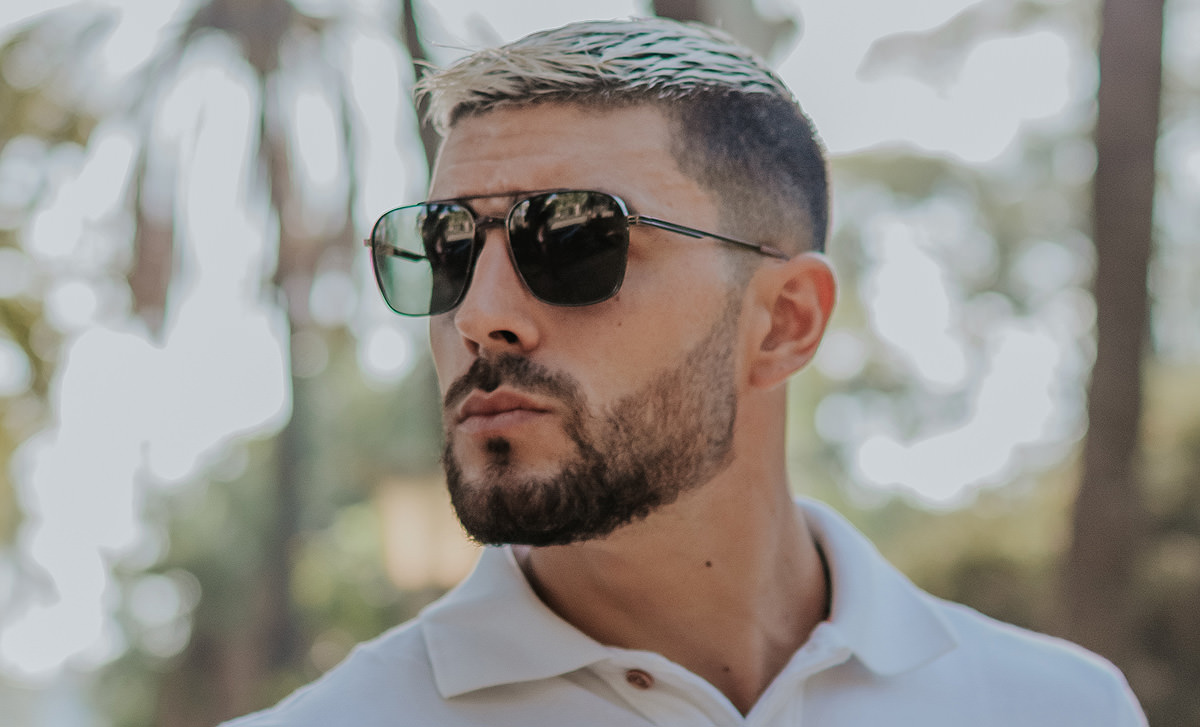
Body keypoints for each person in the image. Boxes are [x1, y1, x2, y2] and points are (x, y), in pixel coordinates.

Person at [223, 17, 1145, 726]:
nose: (477, 314)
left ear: (784, 321)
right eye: (447, 247)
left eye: (574, 239)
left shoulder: (1059, 708)